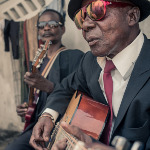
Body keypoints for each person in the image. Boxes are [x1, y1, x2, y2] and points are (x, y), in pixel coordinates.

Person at [29, 0, 150, 150]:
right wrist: (48, 115)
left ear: (132, 16)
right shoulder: (89, 62)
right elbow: (65, 88)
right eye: (81, 18)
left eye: (98, 10)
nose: (85, 26)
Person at [5, 9, 84, 150]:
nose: (46, 28)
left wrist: (49, 87)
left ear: (63, 29)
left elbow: (80, 96)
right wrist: (26, 107)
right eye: (41, 25)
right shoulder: (36, 63)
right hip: (35, 125)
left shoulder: (75, 57)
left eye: (52, 24)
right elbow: (34, 96)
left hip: (62, 126)